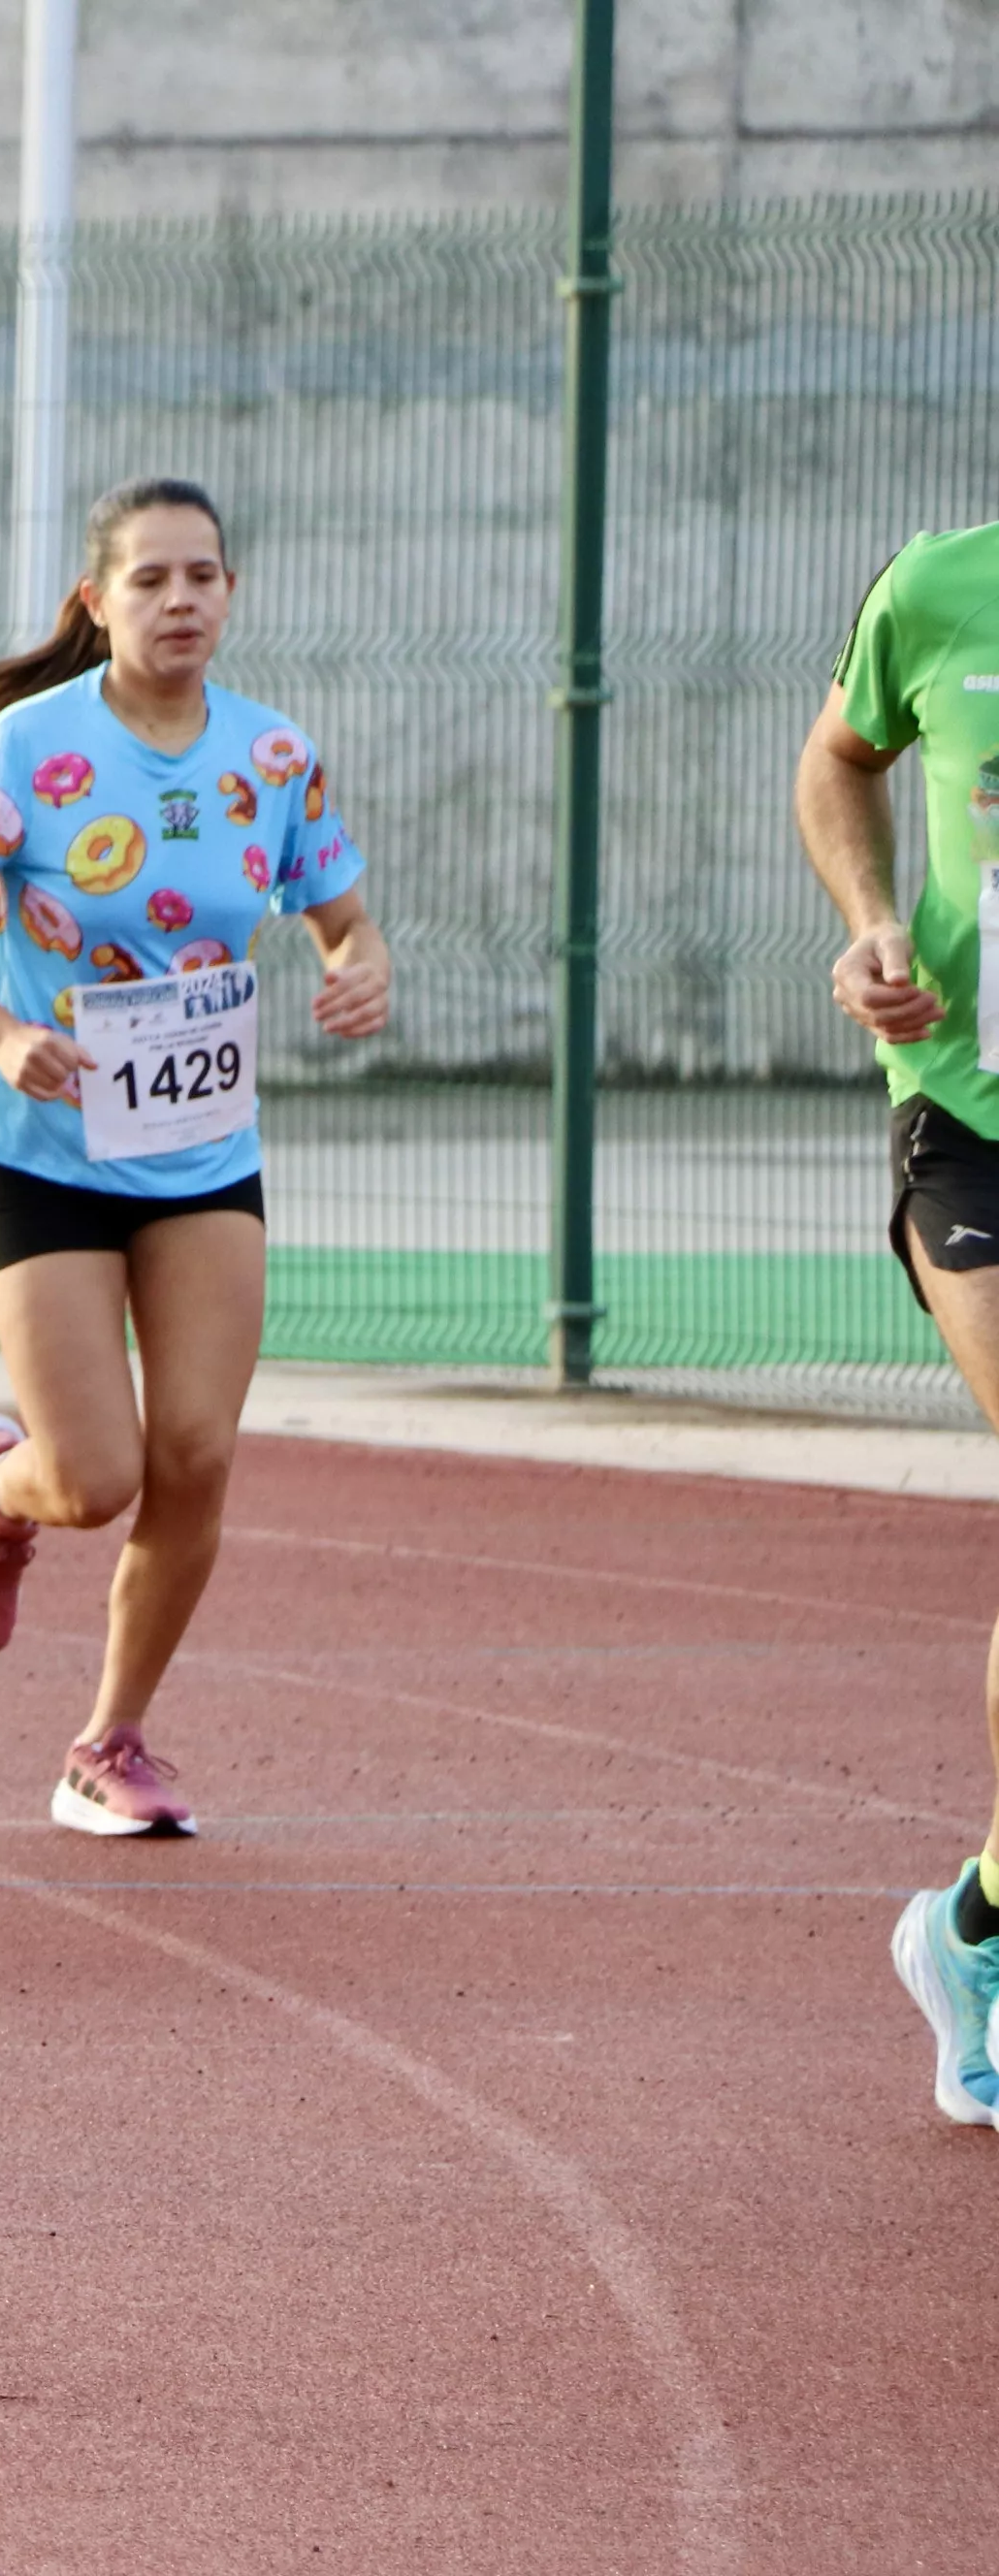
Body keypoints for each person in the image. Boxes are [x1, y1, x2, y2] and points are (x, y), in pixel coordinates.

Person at [0, 475, 388, 1838]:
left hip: (201, 1147)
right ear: (97, 603)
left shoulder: (272, 759)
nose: (180, 602)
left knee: (199, 1452)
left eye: (203, 578)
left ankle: (109, 1739)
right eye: (150, 581)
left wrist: (359, 968)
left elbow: (342, 917)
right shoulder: (35, 751)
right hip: (46, 1142)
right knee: (95, 1479)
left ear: (232, 595)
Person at [800, 519, 999, 2127]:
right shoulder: (935, 587)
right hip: (968, 1103)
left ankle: (972, 1928)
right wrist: (871, 918)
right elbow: (834, 763)